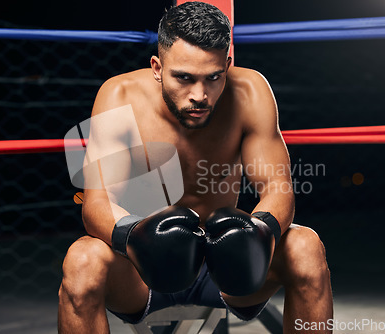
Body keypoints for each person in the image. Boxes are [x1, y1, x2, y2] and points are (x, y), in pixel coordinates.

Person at [58, 2, 333, 333]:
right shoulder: (119, 96)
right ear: (157, 67)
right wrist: (137, 238)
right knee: (81, 259)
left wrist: (260, 233)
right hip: (144, 269)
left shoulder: (250, 92)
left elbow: (278, 188)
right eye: (184, 78)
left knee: (306, 247)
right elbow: (97, 204)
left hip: (226, 269)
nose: (200, 95)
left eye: (213, 78)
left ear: (228, 65)